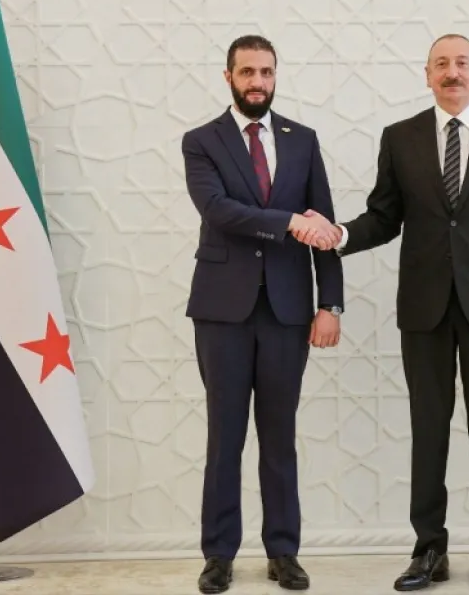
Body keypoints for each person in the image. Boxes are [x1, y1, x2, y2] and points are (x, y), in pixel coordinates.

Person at [306, 34, 469, 593]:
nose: (452, 72)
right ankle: (429, 551)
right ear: (426, 74)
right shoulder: (400, 137)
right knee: (428, 432)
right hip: (424, 309)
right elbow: (384, 217)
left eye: (462, 63)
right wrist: (339, 234)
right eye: (441, 64)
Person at [182, 34, 344, 593]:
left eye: (266, 72)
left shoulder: (303, 140)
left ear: (276, 76)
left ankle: (283, 551)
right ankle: (218, 555)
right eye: (247, 72)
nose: (258, 82)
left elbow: (324, 224)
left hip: (287, 310)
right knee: (224, 438)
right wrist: (288, 223)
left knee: (280, 437)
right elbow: (217, 210)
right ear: (228, 76)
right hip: (222, 311)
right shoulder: (202, 141)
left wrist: (330, 304)